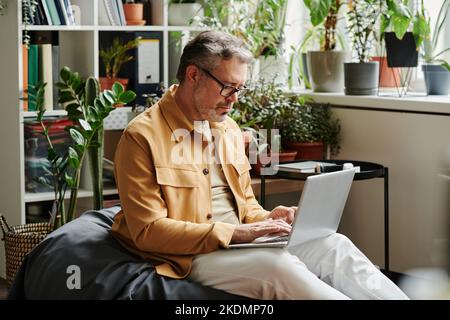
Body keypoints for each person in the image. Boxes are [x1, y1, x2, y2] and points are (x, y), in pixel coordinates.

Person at [111, 30, 408, 300]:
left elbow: (245, 206)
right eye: (228, 88)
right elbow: (148, 231)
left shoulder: (226, 129)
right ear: (193, 75)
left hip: (240, 242)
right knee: (278, 266)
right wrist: (234, 233)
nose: (234, 100)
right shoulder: (142, 137)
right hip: (190, 255)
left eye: (240, 89)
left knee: (334, 244)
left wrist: (266, 219)